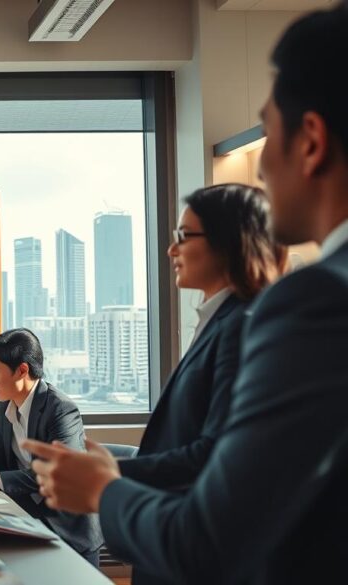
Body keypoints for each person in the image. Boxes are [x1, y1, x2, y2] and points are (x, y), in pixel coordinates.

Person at [26, 6, 348, 583]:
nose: (263, 170)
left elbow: (214, 532)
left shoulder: (312, 303)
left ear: (311, 141)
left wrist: (105, 489)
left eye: (270, 133)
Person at [118, 183, 284, 497]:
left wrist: (108, 474)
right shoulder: (218, 319)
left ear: (229, 241)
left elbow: (214, 452)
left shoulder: (241, 325)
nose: (171, 249)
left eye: (183, 236)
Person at [0, 329, 102, 565]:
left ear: (22, 370)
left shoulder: (60, 409)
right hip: (27, 519)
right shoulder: (5, 404)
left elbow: (57, 472)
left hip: (67, 530)